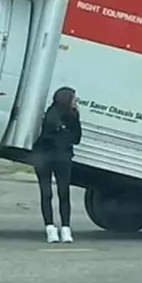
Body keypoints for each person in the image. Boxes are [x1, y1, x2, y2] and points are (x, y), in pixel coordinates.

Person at [31, 87, 82, 243]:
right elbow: (48, 137)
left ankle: (66, 229)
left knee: (64, 193)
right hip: (44, 158)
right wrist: (64, 135)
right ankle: (50, 228)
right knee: (47, 194)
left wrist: (63, 133)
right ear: (66, 99)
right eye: (74, 98)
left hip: (63, 158)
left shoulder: (73, 116)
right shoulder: (51, 113)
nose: (76, 101)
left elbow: (77, 138)